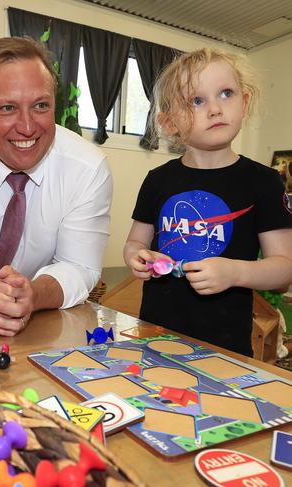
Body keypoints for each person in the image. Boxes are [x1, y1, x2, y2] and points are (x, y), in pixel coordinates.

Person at [0, 37, 112, 337]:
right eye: (7, 108)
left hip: (48, 326)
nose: (27, 127)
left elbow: (79, 266)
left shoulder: (88, 169)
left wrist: (33, 295)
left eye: (40, 105)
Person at [124, 48, 292, 356]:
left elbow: (284, 268)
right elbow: (135, 241)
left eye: (226, 93)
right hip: (154, 339)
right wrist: (136, 256)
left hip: (225, 347)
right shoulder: (157, 179)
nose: (214, 109)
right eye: (196, 101)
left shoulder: (264, 181)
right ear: (169, 122)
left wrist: (234, 273)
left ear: (244, 102)